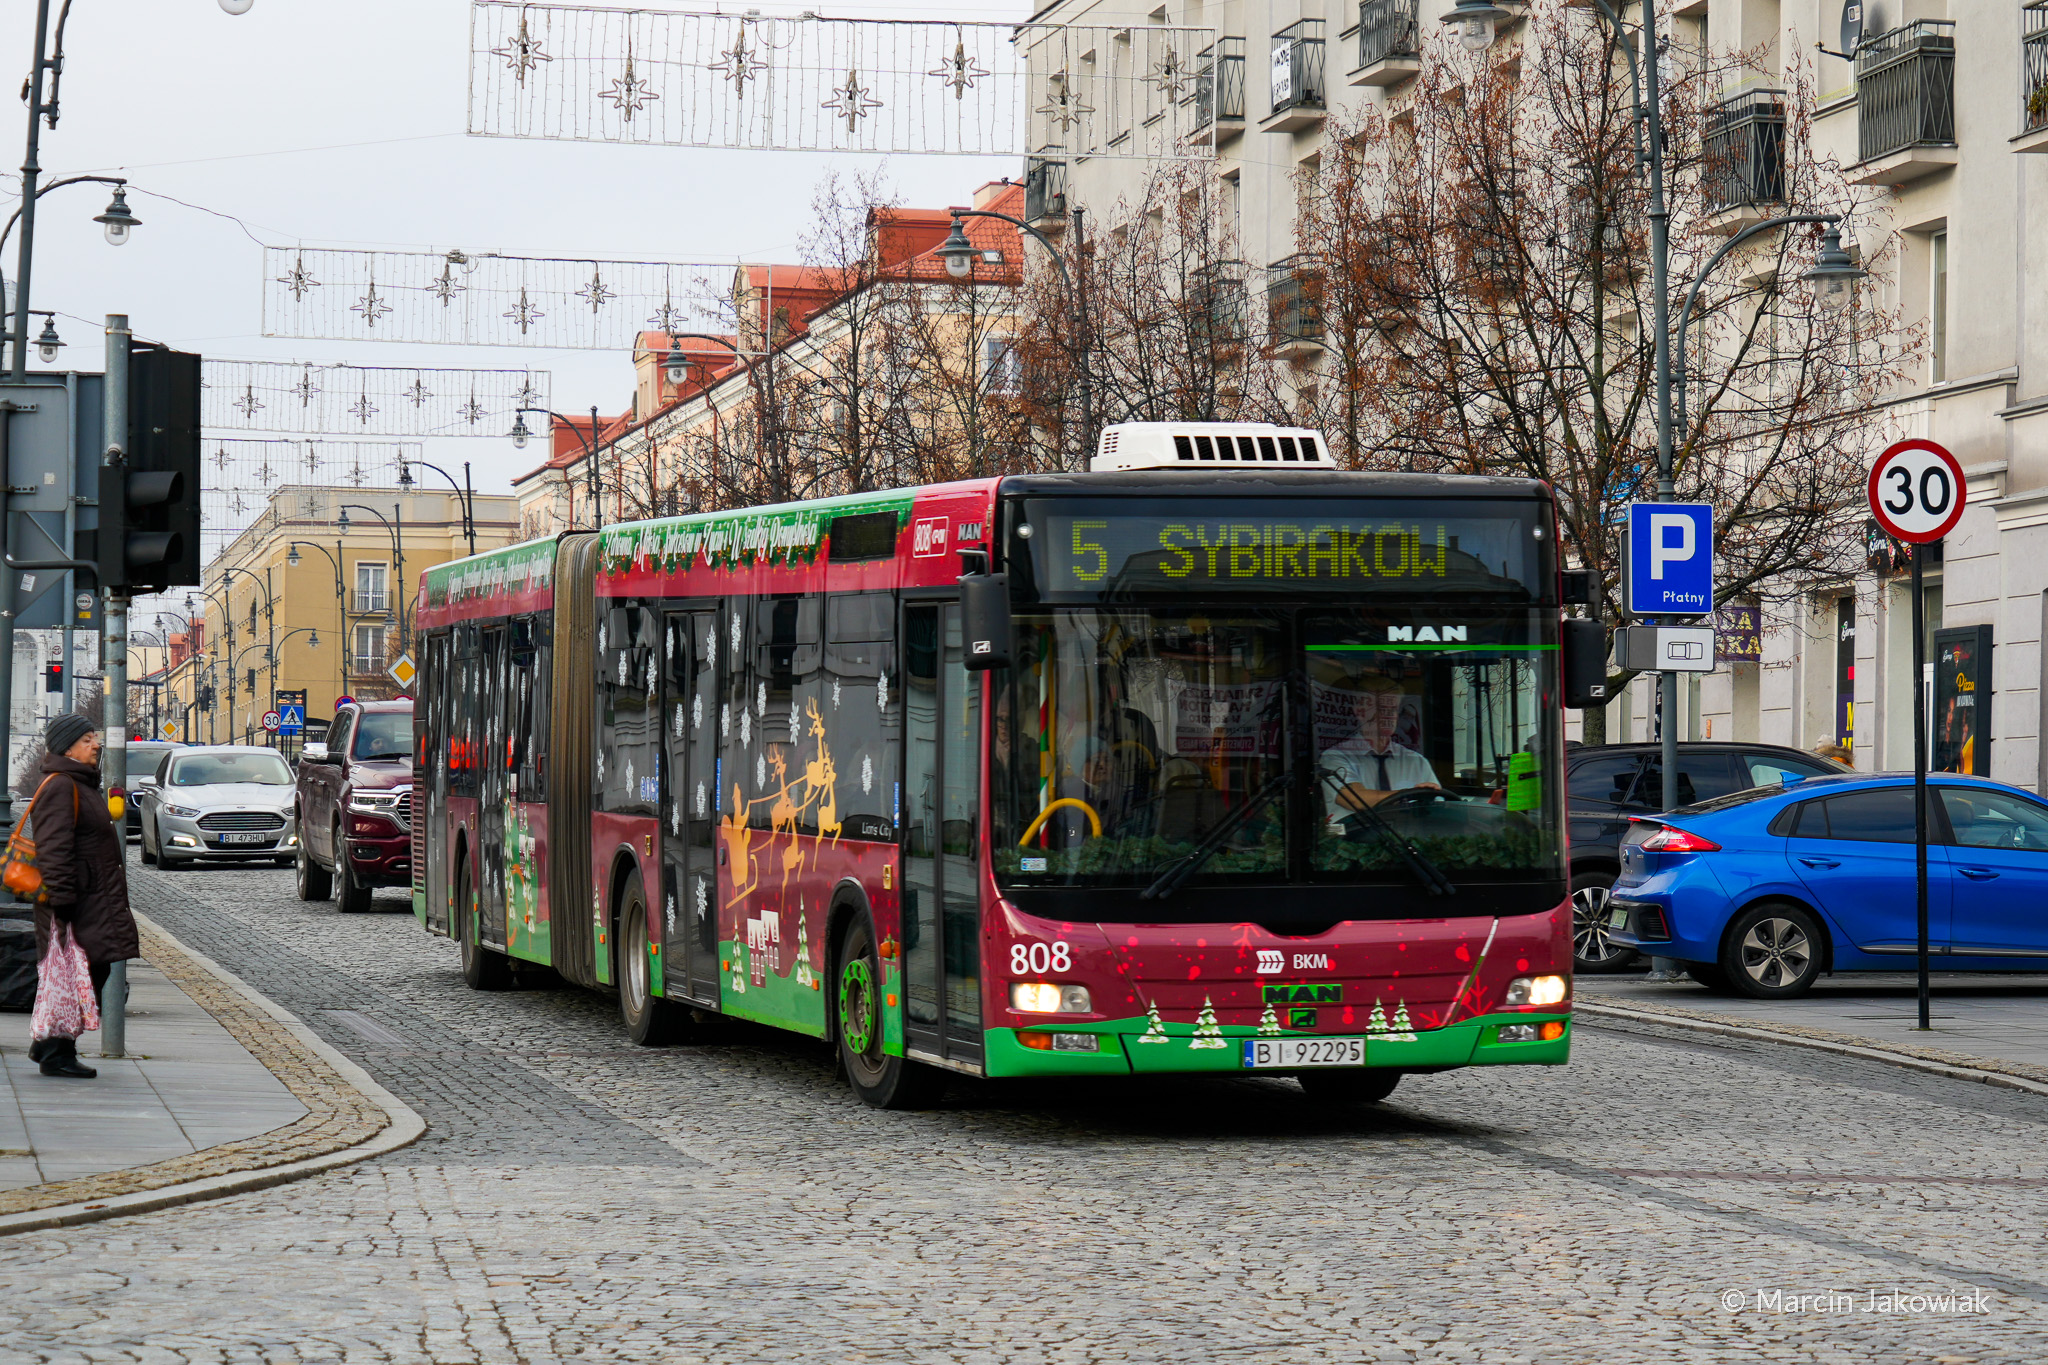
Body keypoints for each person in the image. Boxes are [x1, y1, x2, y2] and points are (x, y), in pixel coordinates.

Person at [26, 714, 138, 1079]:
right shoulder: (62, 785)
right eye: (88, 739)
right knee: (81, 971)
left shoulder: (79, 784)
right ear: (67, 747)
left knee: (92, 968)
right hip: (75, 902)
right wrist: (62, 902)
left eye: (95, 738)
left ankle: (50, 1046)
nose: (96, 744)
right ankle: (55, 1053)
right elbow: (54, 848)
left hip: (90, 898)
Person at [1321, 675, 1438, 822]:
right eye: (1381, 709)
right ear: (1360, 711)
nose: (1389, 716)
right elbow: (1354, 799)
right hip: (1354, 842)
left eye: (1393, 709)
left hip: (1405, 840)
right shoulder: (1335, 757)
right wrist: (1410, 794)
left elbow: (1436, 810)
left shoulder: (1416, 761)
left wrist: (1425, 797)